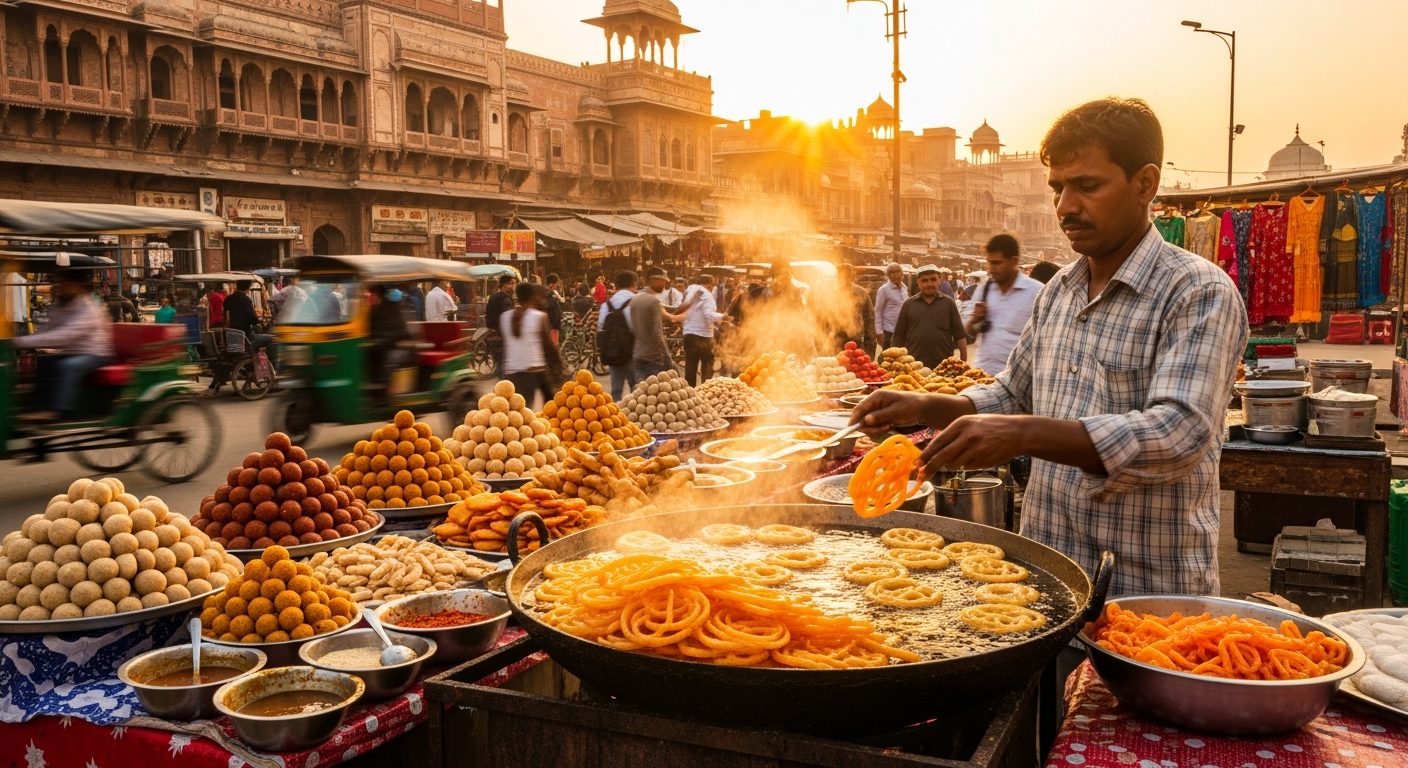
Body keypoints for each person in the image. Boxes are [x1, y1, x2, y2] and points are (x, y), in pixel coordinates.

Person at [851, 96, 1248, 598]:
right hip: (1048, 577)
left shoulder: (1196, 290)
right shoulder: (1060, 290)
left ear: (1144, 184)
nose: (1065, 206)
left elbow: (1178, 435)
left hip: (1147, 593)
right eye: (1058, 188)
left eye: (1087, 186)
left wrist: (1022, 435)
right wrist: (927, 406)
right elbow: (1014, 395)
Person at [14, 270, 112, 422]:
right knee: (44, 362)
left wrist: (22, 342)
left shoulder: (88, 308)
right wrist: (28, 340)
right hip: (72, 352)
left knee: (68, 366)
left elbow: (66, 334)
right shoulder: (60, 304)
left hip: (94, 354)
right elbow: (49, 328)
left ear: (78, 286)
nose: (62, 287)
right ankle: (40, 409)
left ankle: (59, 411)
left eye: (66, 284)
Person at [965, 234, 1042, 376]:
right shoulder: (984, 290)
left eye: (996, 263)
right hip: (982, 376)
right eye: (989, 262)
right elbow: (968, 332)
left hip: (1017, 381)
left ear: (1014, 261)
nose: (991, 269)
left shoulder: (1036, 292)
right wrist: (974, 320)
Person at [890, 265, 966, 368]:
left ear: (939, 280)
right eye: (924, 280)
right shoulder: (909, 305)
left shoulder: (948, 303)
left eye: (933, 279)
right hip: (914, 367)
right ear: (918, 282)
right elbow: (898, 337)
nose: (929, 284)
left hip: (944, 367)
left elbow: (960, 334)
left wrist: (964, 363)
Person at [501, 282, 556, 407]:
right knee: (551, 408)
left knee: (520, 412)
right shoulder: (540, 316)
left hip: (512, 371)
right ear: (533, 297)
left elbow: (506, 345)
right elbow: (548, 346)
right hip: (535, 369)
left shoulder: (504, 317)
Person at [629, 267, 676, 383]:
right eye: (663, 281)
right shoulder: (653, 301)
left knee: (640, 394)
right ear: (653, 280)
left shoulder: (635, 299)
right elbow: (657, 334)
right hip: (652, 358)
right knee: (655, 395)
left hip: (637, 355)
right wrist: (669, 360)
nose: (665, 284)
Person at [598, 270, 638, 400]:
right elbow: (637, 327)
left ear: (616, 285)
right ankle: (633, 417)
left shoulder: (606, 305)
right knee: (636, 388)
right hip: (633, 351)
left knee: (616, 389)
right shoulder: (636, 301)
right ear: (634, 284)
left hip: (613, 351)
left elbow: (601, 326)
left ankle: (616, 417)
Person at [677, 274, 722, 386]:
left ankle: (690, 395)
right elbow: (709, 315)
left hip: (689, 334)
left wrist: (715, 327)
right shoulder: (706, 294)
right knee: (707, 367)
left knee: (690, 367)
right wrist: (724, 316)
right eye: (711, 286)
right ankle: (705, 392)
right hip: (704, 336)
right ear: (709, 284)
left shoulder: (688, 292)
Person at [368, 285, 413, 389]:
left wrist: (382, 340)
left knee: (392, 359)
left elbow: (400, 332)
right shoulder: (375, 310)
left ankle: (384, 388)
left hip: (398, 344)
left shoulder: (392, 308)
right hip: (384, 343)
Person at [833, 263, 877, 354]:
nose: (845, 278)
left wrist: (870, 348)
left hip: (856, 339)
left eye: (848, 275)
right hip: (836, 339)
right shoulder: (832, 294)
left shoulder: (861, 292)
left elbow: (869, 320)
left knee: (856, 365)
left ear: (852, 276)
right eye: (842, 275)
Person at [485, 274, 516, 374]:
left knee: (498, 358)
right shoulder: (506, 298)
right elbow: (508, 317)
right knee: (503, 358)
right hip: (501, 333)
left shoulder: (493, 296)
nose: (513, 286)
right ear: (504, 285)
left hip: (491, 331)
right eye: (511, 283)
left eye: (514, 283)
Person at [874, 262, 908, 351]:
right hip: (888, 330)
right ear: (888, 275)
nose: (896, 275)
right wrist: (879, 332)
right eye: (893, 272)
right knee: (888, 358)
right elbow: (878, 311)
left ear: (902, 274)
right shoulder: (883, 290)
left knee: (901, 357)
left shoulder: (904, 288)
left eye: (898, 272)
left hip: (902, 330)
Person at [544, 273, 564, 344]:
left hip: (552, 326)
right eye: (556, 283)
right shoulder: (548, 295)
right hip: (552, 327)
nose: (557, 285)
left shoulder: (552, 294)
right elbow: (552, 311)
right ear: (552, 284)